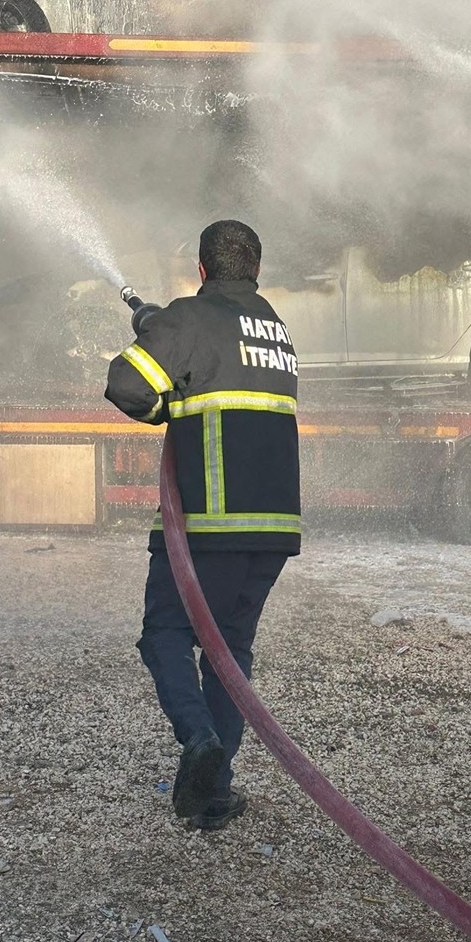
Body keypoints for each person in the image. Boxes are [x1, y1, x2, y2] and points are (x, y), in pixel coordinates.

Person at [105, 220, 300, 830]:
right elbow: (195, 396)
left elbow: (127, 386)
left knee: (165, 633)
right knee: (229, 647)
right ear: (256, 269)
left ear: (201, 268)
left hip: (207, 525)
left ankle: (199, 743)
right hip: (271, 527)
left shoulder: (188, 320)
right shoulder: (274, 327)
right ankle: (216, 792)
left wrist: (159, 328)